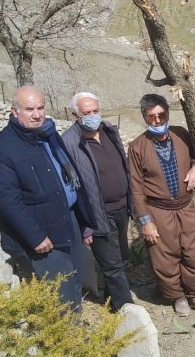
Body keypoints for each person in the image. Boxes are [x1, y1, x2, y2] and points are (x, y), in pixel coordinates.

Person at [0, 86, 99, 311]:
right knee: (61, 290)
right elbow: (9, 200)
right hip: (44, 233)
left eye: (40, 108)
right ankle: (68, 338)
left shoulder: (48, 134)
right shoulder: (3, 149)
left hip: (68, 220)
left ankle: (76, 332)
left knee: (75, 278)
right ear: (14, 111)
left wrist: (82, 220)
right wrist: (35, 236)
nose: (37, 114)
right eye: (29, 109)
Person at [127, 94, 195, 317]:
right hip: (158, 210)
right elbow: (135, 188)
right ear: (145, 118)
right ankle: (177, 297)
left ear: (167, 114)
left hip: (185, 206)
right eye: (151, 116)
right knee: (165, 256)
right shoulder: (137, 147)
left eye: (161, 115)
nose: (157, 120)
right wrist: (145, 222)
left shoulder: (181, 134)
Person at [61, 92, 134, 311]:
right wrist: (85, 226)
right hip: (97, 215)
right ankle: (127, 312)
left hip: (121, 208)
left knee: (119, 259)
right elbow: (70, 187)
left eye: (96, 111)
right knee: (112, 266)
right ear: (76, 115)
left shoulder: (109, 130)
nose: (93, 116)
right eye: (87, 113)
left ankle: (111, 303)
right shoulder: (69, 142)